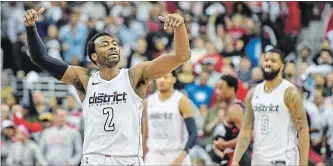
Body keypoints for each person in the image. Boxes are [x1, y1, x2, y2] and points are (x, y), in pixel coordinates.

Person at [24, 7, 190, 165]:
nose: (112, 46)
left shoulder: (134, 76)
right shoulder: (84, 79)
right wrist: (31, 27)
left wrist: (180, 26)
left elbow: (182, 56)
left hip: (128, 159)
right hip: (94, 159)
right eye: (105, 44)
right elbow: (40, 58)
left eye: (114, 43)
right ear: (94, 56)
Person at [231, 48, 310, 165]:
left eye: (273, 61)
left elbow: (303, 129)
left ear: (282, 66)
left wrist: (304, 163)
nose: (268, 63)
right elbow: (246, 129)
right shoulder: (253, 93)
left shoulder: (290, 92)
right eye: (266, 60)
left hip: (284, 159)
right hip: (259, 159)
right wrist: (235, 160)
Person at [143, 71, 198, 165]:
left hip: (175, 154)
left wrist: (181, 157)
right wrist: (142, 155)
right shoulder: (148, 102)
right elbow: (145, 133)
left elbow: (193, 133)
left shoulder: (181, 100)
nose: (161, 80)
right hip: (153, 156)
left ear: (174, 79)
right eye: (159, 77)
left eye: (166, 77)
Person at [213, 75, 251, 166]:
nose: (217, 92)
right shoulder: (226, 108)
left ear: (232, 89)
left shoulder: (234, 110)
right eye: (217, 88)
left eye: (221, 88)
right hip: (230, 157)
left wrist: (225, 144)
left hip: (239, 159)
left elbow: (248, 136)